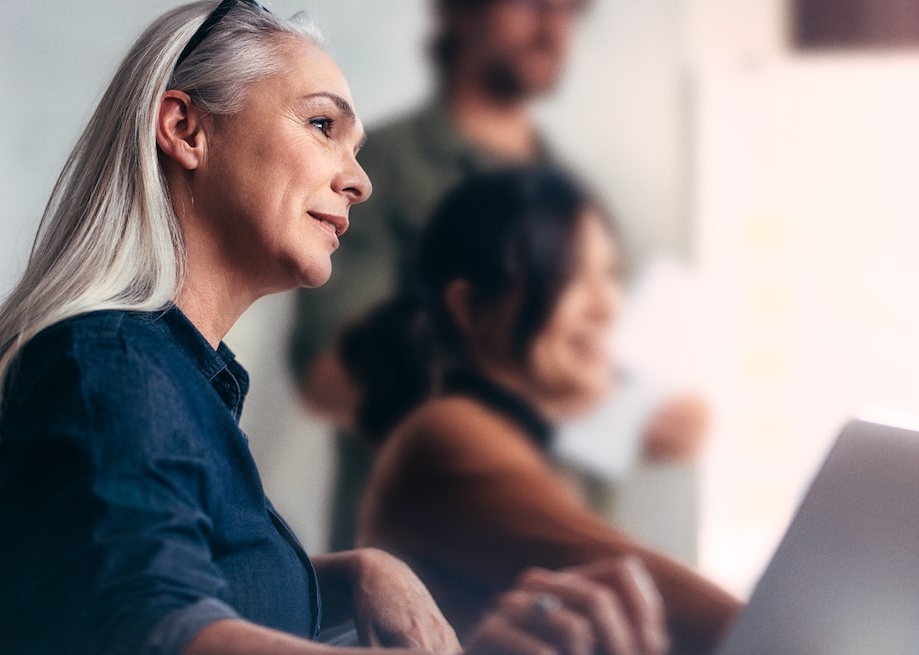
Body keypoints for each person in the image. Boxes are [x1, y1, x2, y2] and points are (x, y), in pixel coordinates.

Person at [0, 3, 667, 655]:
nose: (357, 179)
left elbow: (189, 580)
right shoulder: (108, 372)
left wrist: (353, 573)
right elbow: (150, 640)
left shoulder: (168, 382)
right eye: (322, 125)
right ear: (185, 128)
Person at [289, 0, 708, 554]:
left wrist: (639, 411)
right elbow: (329, 375)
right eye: (534, 4)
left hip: (571, 578)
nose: (554, 27)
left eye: (571, 11)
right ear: (462, 12)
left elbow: (601, 359)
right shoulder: (375, 171)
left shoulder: (573, 191)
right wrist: (562, 387)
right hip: (425, 579)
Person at [342, 167, 741, 655]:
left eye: (609, 274)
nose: (606, 306)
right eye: (572, 275)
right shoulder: (447, 432)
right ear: (470, 308)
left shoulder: (517, 438)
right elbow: (648, 591)